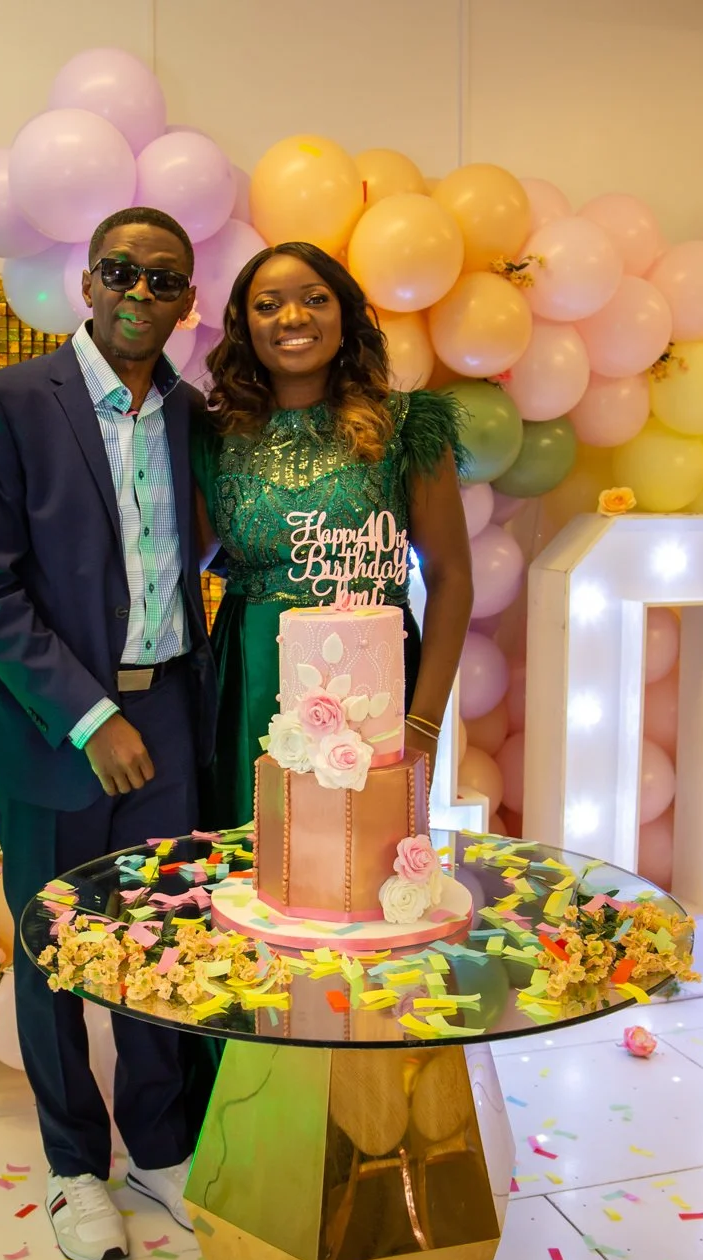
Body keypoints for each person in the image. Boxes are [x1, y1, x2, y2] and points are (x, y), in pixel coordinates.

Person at [0, 207, 220, 1260]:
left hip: (170, 713)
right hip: (52, 722)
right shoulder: (12, 402)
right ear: (89, 284)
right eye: (121, 271)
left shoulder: (193, 415)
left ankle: (158, 1145)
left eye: (165, 279)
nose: (141, 293)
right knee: (57, 944)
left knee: (159, 936)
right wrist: (89, 716)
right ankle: (74, 1168)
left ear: (187, 301)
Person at [192, 241, 474, 827]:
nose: (293, 317)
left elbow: (451, 578)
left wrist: (423, 722)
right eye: (268, 305)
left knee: (364, 858)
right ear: (245, 327)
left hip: (378, 690)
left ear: (345, 315)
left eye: (315, 299)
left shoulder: (407, 425)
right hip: (252, 682)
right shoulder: (215, 436)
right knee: (257, 855)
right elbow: (188, 557)